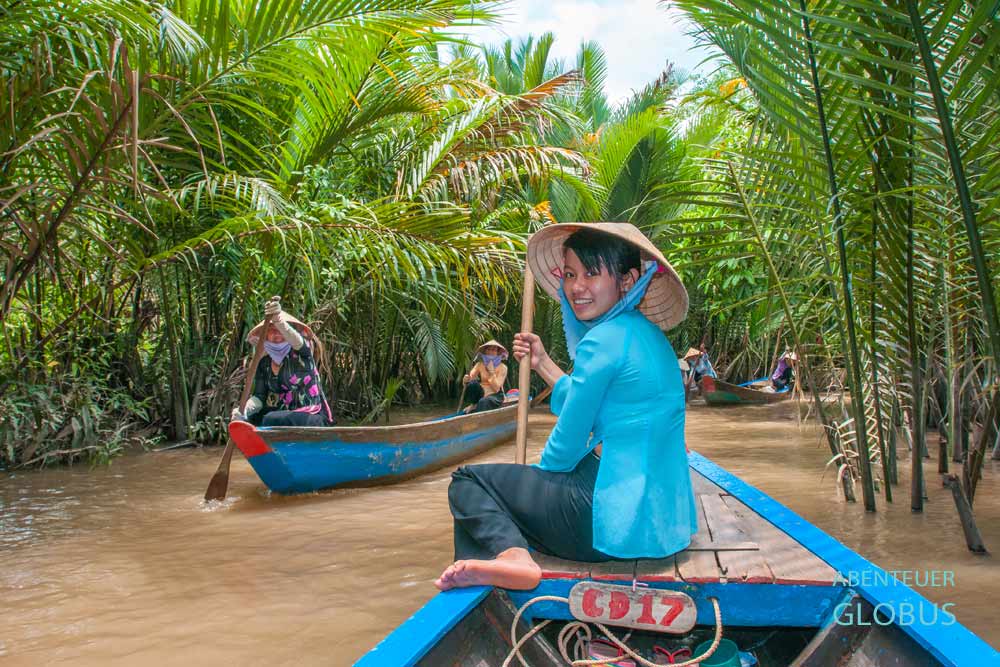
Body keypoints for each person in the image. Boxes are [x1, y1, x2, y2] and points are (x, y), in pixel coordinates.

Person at [435, 222, 697, 592]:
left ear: (627, 279)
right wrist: (541, 361)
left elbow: (566, 445)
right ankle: (506, 556)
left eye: (592, 273)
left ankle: (512, 558)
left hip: (610, 523)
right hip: (660, 525)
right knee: (517, 486)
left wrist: (531, 486)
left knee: (469, 482)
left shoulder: (603, 340)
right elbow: (587, 399)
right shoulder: (647, 336)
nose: (577, 287)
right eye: (571, 274)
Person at [230, 298, 334, 427]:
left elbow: (296, 340)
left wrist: (278, 321)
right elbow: (259, 397)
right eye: (271, 329)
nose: (276, 333)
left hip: (312, 416)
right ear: (265, 335)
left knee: (271, 419)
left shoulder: (302, 352)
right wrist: (244, 410)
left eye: (279, 329)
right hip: (285, 414)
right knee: (251, 418)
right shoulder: (264, 363)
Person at [460, 340, 509, 414]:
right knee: (472, 384)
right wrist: (465, 380)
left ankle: (479, 415)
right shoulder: (480, 364)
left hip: (495, 395)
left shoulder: (503, 367)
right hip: (481, 393)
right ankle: (474, 404)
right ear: (485, 351)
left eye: (493, 350)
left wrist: (491, 372)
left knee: (483, 402)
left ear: (497, 352)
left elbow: (496, 388)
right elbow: (469, 382)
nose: (490, 352)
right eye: (488, 349)